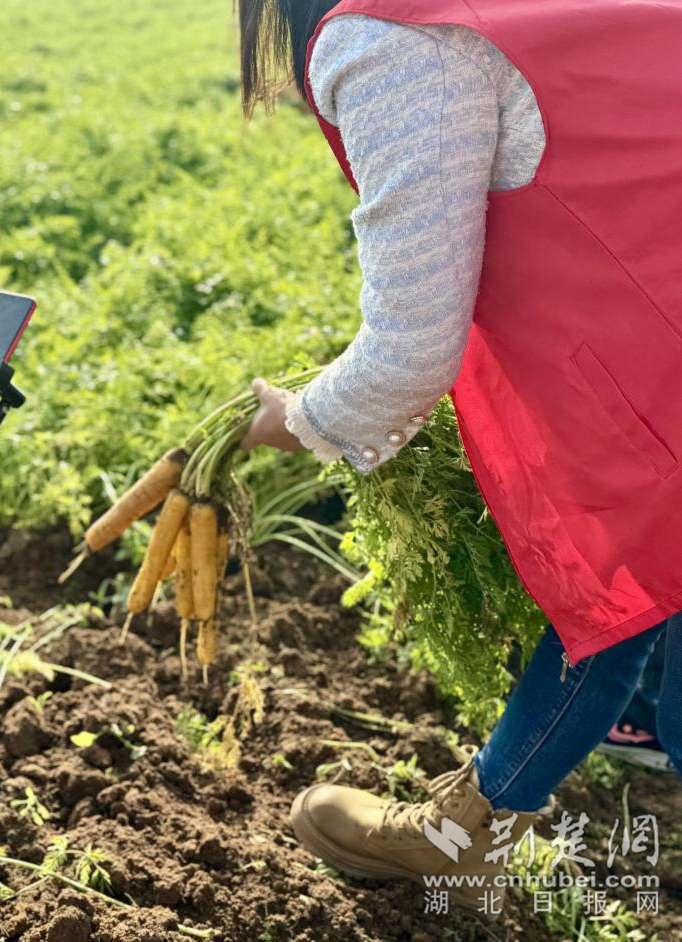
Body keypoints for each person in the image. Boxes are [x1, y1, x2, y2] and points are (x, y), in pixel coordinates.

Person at [234, 0, 682, 913]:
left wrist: (304, 420)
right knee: (643, 569)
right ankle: (476, 819)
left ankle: (467, 828)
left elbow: (408, 354)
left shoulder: (394, 38)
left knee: (640, 606)